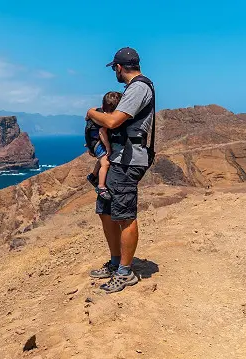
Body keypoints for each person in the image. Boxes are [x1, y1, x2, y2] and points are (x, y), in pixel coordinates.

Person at [85, 47, 156, 293]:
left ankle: (125, 272)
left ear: (118, 67)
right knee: (106, 211)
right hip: (118, 158)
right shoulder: (132, 89)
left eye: (113, 68)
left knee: (125, 215)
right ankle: (116, 262)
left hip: (128, 161)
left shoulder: (139, 88)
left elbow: (114, 121)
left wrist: (92, 113)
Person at [85, 91, 123, 201]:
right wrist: (108, 147)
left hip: (92, 141)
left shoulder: (97, 111)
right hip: (97, 142)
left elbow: (92, 109)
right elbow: (102, 132)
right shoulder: (105, 118)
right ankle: (101, 187)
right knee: (105, 163)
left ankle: (93, 175)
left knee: (101, 160)